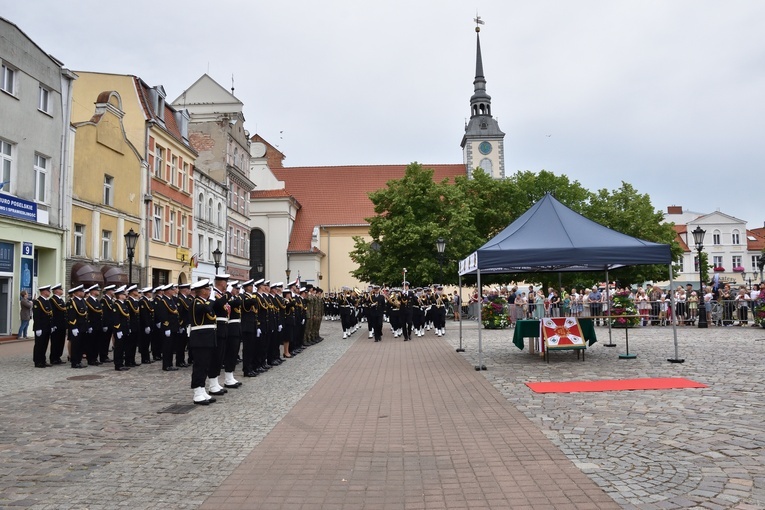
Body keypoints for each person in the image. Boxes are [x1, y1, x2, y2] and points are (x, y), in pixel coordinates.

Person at [188, 279, 217, 405]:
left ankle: (202, 389)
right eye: (208, 289)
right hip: (200, 339)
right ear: (202, 291)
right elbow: (206, 309)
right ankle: (197, 392)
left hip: (207, 338)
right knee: (199, 366)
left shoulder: (204, 302)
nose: (210, 291)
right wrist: (211, 301)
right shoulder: (196, 303)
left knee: (205, 365)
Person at [66, 285, 89, 368]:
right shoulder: (73, 302)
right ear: (77, 292)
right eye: (82, 291)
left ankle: (79, 361)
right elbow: (71, 315)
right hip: (76, 326)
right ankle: (74, 362)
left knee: (81, 345)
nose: (83, 293)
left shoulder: (82, 301)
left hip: (83, 326)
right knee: (75, 346)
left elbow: (85, 314)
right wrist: (73, 327)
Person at [31, 286, 53, 367]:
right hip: (40, 327)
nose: (49, 292)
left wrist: (51, 325)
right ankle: (37, 361)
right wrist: (38, 328)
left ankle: (43, 360)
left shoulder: (47, 301)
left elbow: (50, 314)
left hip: (47, 326)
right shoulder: (38, 302)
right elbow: (37, 316)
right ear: (44, 292)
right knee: (39, 344)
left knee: (44, 344)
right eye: (48, 291)